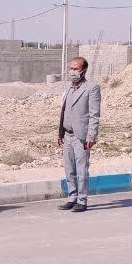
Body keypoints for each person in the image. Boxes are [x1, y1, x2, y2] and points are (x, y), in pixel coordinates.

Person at [56, 56, 102, 212]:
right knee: (69, 169)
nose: (72, 72)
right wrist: (60, 133)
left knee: (81, 170)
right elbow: (64, 111)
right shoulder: (69, 88)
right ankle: (72, 197)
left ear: (84, 70)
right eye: (71, 68)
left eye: (76, 69)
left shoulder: (91, 88)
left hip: (81, 136)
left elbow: (94, 115)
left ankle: (82, 200)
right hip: (67, 135)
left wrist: (91, 136)